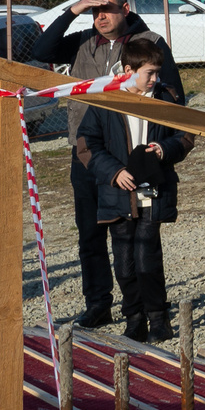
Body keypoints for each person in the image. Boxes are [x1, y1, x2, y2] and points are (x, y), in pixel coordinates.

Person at [34, 0, 184, 330]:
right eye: (93, 11)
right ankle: (98, 303)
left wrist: (162, 149)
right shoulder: (83, 42)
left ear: (125, 9)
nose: (100, 16)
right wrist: (72, 10)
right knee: (90, 233)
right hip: (89, 151)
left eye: (107, 9)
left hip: (133, 157)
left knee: (138, 243)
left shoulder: (149, 43)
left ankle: (147, 311)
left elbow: (175, 99)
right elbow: (42, 50)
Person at [79, 33, 193, 343]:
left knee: (147, 259)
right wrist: (114, 172)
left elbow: (184, 136)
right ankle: (134, 319)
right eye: (150, 73)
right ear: (128, 71)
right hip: (118, 194)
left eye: (158, 72)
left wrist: (164, 149)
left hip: (153, 193)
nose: (156, 79)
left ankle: (158, 318)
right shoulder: (106, 100)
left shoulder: (165, 98)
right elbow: (86, 144)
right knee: (125, 264)